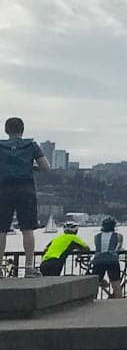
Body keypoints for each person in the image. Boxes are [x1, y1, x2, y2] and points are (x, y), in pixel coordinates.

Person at [0, 116, 50, 276]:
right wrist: (30, 167)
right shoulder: (31, 145)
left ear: (6, 130)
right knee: (27, 229)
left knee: (1, 230)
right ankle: (29, 267)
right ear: (22, 130)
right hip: (26, 190)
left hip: (4, 191)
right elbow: (45, 167)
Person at [91, 218, 125, 298]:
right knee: (116, 284)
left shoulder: (96, 236)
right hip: (112, 261)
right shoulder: (118, 236)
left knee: (94, 283)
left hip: (99, 261)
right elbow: (119, 248)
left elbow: (97, 246)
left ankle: (93, 300)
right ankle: (119, 303)